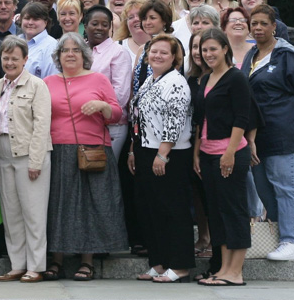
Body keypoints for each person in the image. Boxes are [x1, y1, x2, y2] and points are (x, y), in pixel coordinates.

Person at [242, 4, 294, 262]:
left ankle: (291, 241)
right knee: (263, 188)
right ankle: (279, 235)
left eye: (263, 23)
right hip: (257, 135)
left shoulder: (289, 55)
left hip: (285, 132)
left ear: (274, 26)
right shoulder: (251, 55)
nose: (258, 28)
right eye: (253, 23)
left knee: (285, 185)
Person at [43, 32, 126, 282]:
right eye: (65, 50)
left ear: (84, 55)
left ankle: (87, 262)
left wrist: (102, 107)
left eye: (75, 50)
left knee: (90, 205)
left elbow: (118, 114)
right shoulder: (46, 82)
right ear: (57, 56)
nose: (70, 54)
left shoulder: (98, 80)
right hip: (57, 151)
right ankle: (56, 260)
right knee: (58, 205)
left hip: (92, 151)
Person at [129, 33, 195, 283]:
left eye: (163, 52)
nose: (157, 56)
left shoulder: (176, 82)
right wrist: (134, 150)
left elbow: (174, 121)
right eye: (153, 51)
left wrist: (162, 154)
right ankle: (158, 263)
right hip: (146, 150)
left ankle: (180, 267)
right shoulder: (150, 81)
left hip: (170, 154)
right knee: (150, 209)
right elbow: (139, 118)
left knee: (173, 210)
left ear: (175, 58)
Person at [193, 28, 254, 286]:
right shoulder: (206, 79)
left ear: (225, 49)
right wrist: (196, 152)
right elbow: (201, 119)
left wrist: (229, 152)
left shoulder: (236, 77)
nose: (208, 54)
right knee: (216, 213)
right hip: (207, 154)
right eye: (204, 50)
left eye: (213, 49)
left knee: (233, 211)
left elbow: (243, 116)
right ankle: (223, 269)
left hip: (230, 153)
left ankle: (235, 272)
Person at [0, 36, 52, 283]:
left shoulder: (37, 85)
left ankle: (36, 266)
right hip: (3, 154)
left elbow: (42, 125)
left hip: (29, 154)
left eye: (15, 58)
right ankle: (17, 264)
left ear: (25, 59)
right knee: (11, 213)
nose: (10, 62)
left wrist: (36, 160)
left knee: (33, 213)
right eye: (6, 58)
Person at [85, 6, 132, 167]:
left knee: (105, 173)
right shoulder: (80, 50)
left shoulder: (118, 52)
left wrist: (101, 111)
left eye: (105, 24)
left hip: (111, 125)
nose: (99, 28)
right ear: (85, 26)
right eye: (94, 23)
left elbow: (121, 94)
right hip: (84, 123)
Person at [19, 2, 58, 79]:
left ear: (45, 22)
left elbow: (51, 81)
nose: (30, 23)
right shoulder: (16, 41)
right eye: (27, 18)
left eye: (36, 19)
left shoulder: (52, 47)